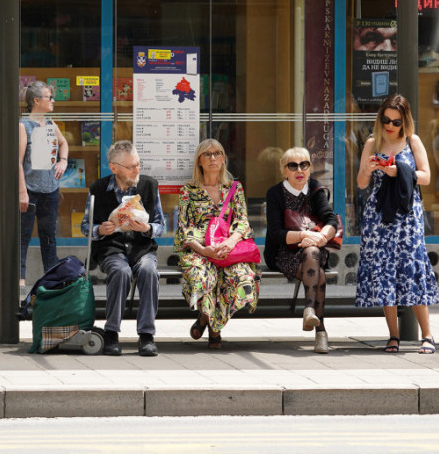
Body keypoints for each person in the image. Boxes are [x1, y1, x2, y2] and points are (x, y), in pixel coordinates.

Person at [355, 94, 439, 354]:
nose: (390, 125)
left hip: (407, 216)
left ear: (405, 122)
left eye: (396, 121)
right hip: (378, 215)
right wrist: (369, 169)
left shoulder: (412, 141)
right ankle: (393, 335)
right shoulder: (372, 143)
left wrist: (399, 171)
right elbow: (361, 183)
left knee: (411, 268)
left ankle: (427, 335)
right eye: (386, 119)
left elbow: (425, 176)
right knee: (384, 272)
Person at [81, 140, 164, 356]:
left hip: (142, 248)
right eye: (131, 166)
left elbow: (160, 225)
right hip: (112, 248)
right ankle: (111, 333)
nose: (137, 170)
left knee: (148, 270)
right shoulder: (97, 189)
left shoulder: (149, 185)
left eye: (138, 164)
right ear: (114, 167)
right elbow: (85, 226)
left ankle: (146, 336)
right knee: (120, 271)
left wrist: (147, 228)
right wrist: (100, 230)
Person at [174, 139, 259, 349]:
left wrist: (230, 243)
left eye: (218, 153)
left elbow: (242, 221)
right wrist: (204, 250)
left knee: (241, 279)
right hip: (200, 249)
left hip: (228, 249)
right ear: (199, 161)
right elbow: (184, 227)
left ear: (223, 159)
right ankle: (215, 331)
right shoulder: (188, 191)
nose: (213, 158)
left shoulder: (234, 188)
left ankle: (206, 320)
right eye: (208, 154)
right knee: (204, 277)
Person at [265, 147, 338, 354]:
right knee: (319, 275)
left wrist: (321, 236)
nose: (299, 169)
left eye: (304, 164)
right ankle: (321, 333)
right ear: (284, 170)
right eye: (293, 165)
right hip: (283, 252)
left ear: (310, 168)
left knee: (312, 252)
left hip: (312, 252)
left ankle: (308, 309)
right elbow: (275, 232)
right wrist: (305, 236)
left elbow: (331, 219)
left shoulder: (315, 189)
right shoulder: (275, 193)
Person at [18, 81, 69, 293]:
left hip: (50, 190)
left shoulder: (50, 124)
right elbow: (17, 162)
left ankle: (51, 276)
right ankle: (19, 280)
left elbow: (64, 143)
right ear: (36, 101)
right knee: (23, 236)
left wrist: (63, 160)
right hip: (29, 190)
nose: (53, 101)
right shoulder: (23, 126)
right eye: (49, 97)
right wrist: (22, 192)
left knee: (49, 236)